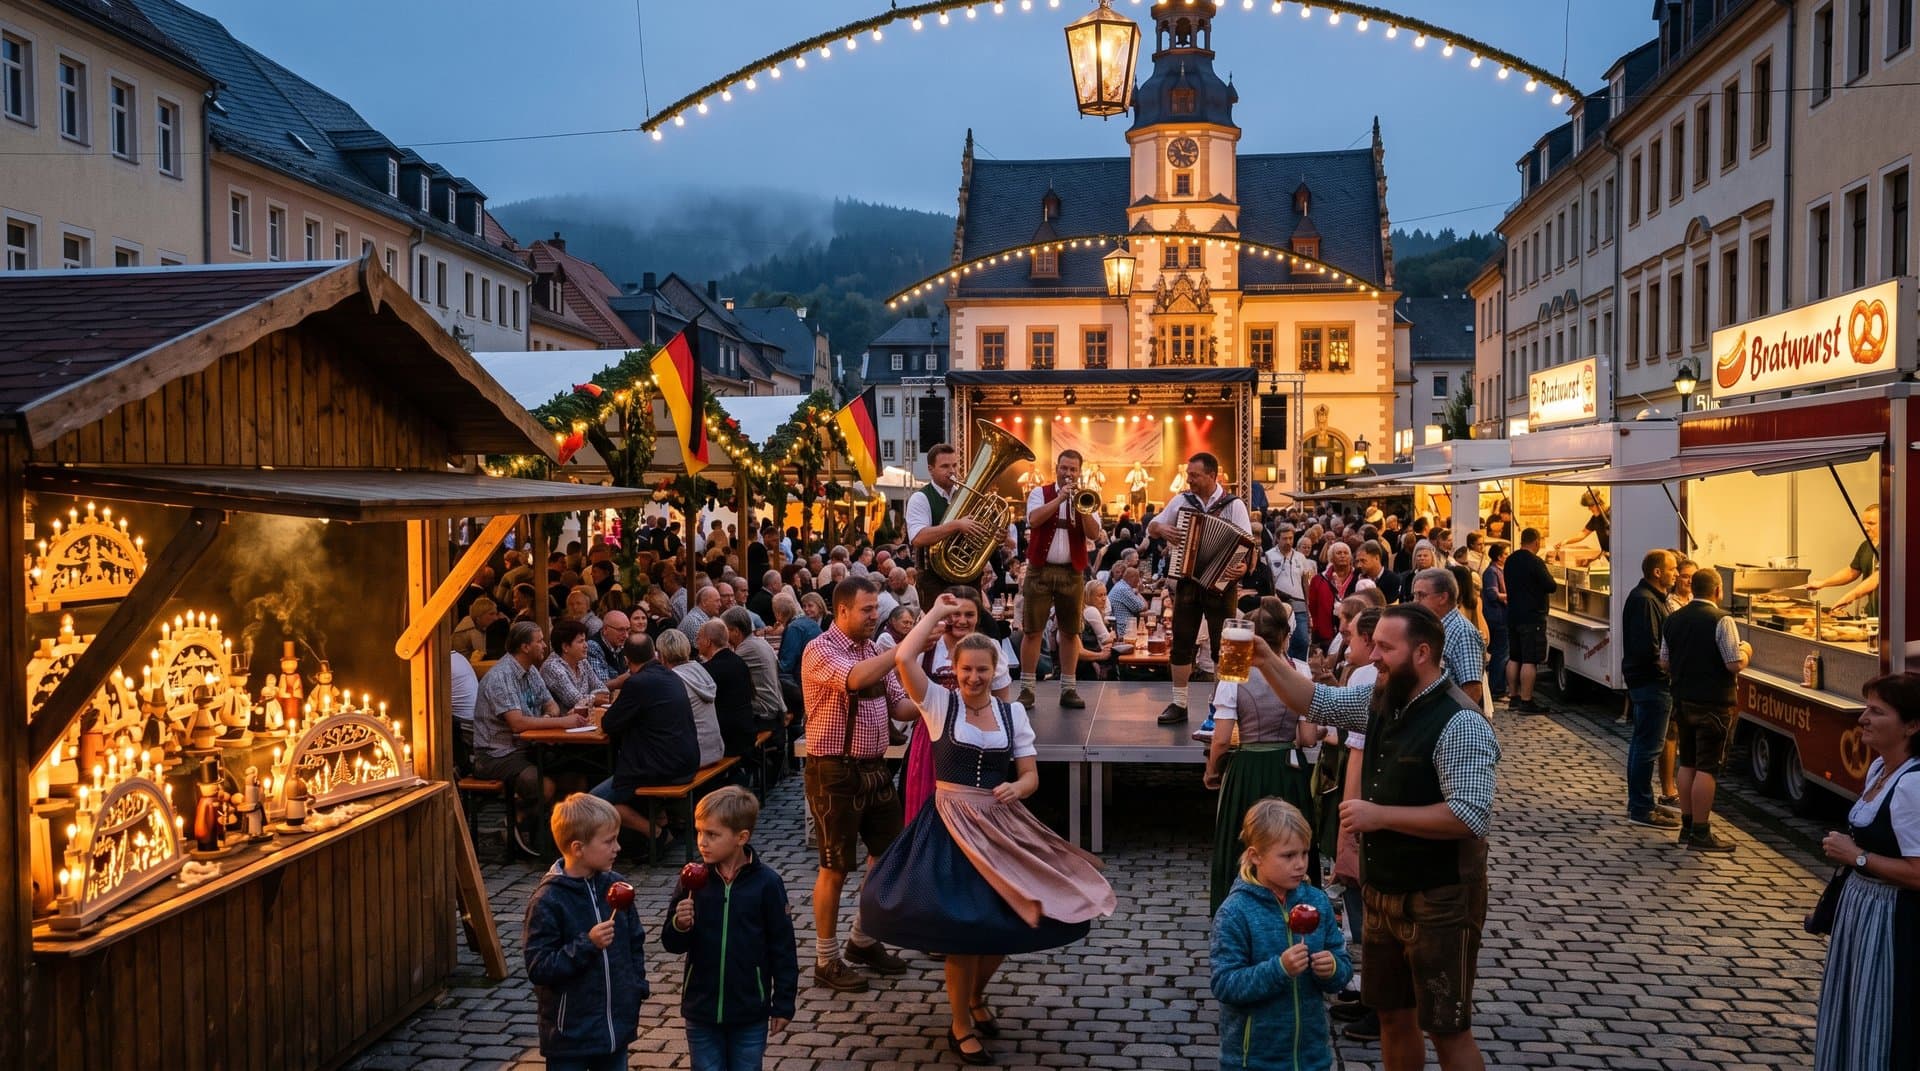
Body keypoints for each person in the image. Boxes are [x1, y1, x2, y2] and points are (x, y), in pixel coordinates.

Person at [863, 596, 1115, 1065]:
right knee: (965, 928)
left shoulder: (1010, 714)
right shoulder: (939, 705)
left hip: (999, 827)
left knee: (1007, 921)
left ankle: (976, 997)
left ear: (995, 670)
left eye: (983, 670)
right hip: (950, 827)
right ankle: (960, 1023)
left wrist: (1017, 789)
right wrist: (936, 615)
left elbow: (1030, 775)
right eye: (966, 670)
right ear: (953, 670)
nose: (974, 678)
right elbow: (901, 657)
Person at [1248, 605, 1500, 1071]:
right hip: (1385, 890)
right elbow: (1315, 702)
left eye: (1386, 648)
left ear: (1422, 653)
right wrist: (1265, 659)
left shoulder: (1460, 721)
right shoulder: (1383, 698)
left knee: (1447, 1028)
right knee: (1392, 1016)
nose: (1374, 658)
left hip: (1441, 896)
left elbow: (1469, 817)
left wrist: (1378, 815)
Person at [801, 574, 913, 993]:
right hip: (834, 771)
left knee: (886, 856)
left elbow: (899, 708)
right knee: (834, 867)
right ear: (842, 609)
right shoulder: (820, 650)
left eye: (876, 609)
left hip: (875, 768)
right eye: (867, 610)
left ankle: (862, 940)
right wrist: (902, 649)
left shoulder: (872, 648)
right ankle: (825, 959)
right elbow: (855, 680)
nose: (875, 617)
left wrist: (938, 697)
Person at [1812, 671, 1920, 1071]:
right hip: (1862, 913)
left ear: (1912, 725)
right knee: (1854, 1012)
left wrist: (1856, 856)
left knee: (1883, 1018)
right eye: (1866, 708)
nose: (1863, 719)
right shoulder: (1880, 770)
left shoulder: (1912, 786)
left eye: (1877, 711)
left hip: (1893, 921)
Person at [1210, 798, 1352, 1071]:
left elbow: (1342, 964)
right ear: (1255, 856)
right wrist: (1279, 969)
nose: (1300, 864)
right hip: (1253, 1059)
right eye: (1288, 856)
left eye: (1304, 853)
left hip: (1312, 1057)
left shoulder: (1317, 901)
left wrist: (1332, 968)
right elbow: (1225, 984)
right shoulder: (1236, 912)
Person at [661, 786, 797, 1070]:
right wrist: (680, 924)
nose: (702, 842)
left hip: (749, 1009)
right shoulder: (691, 880)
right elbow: (671, 943)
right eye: (699, 832)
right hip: (701, 1007)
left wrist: (783, 1003)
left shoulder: (767, 884)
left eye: (712, 834)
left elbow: (782, 947)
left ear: (741, 838)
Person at [1203, 598, 1317, 913]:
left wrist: (1212, 770)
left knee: (1244, 841)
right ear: (1285, 636)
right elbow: (1307, 738)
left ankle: (1240, 912)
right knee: (1291, 841)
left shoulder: (1233, 673)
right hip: (1287, 768)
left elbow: (1222, 739)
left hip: (1248, 769)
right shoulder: (1301, 670)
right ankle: (1299, 911)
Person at [523, 793, 651, 1071]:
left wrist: (636, 987)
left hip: (614, 1030)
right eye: (609, 841)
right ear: (578, 848)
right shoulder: (548, 900)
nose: (618, 847)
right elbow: (539, 966)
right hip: (570, 1036)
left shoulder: (617, 886)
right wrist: (587, 944)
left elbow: (635, 942)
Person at [1148, 452, 1254, 725]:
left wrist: (1243, 568)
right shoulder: (1182, 501)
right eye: (1189, 475)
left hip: (1221, 585)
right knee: (1182, 643)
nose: (1189, 480)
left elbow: (1247, 545)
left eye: (1194, 475)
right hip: (1187, 581)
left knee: (1225, 646)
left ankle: (1226, 704)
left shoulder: (1234, 505)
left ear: (1212, 475)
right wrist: (1162, 529)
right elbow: (1152, 525)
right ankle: (1179, 703)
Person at [475, 622, 592, 854]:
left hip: (528, 746)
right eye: (539, 641)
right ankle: (518, 822)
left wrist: (548, 718)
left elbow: (551, 704)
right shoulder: (502, 676)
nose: (544, 646)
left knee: (578, 782)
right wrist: (560, 723)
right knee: (545, 787)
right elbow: (517, 723)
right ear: (525, 646)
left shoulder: (531, 671)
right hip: (497, 753)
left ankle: (546, 833)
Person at [901, 584, 1014, 823]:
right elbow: (907, 674)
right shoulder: (928, 647)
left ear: (978, 616)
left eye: (969, 614)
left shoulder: (990, 648)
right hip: (933, 739)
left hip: (977, 738)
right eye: (955, 614)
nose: (962, 620)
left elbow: (1003, 701)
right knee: (928, 809)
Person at [1660, 568, 1750, 853]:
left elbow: (1664, 661)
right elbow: (1733, 663)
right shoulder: (1722, 620)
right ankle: (1701, 831)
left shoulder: (1673, 619)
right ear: (1718, 590)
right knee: (1708, 768)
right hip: (1713, 703)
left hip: (1683, 699)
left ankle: (1686, 827)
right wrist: (1747, 650)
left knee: (1687, 762)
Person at [590, 635, 700, 844]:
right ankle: (659, 820)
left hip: (658, 767)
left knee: (592, 802)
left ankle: (656, 833)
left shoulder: (638, 683)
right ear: (654, 653)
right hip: (686, 761)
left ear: (626, 659)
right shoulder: (671, 676)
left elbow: (610, 724)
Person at [1017, 449, 1104, 711]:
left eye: (1073, 470)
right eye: (1064, 468)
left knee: (1070, 631)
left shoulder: (1087, 497)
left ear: (1080, 472)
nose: (1068, 473)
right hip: (1040, 570)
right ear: (1057, 468)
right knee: (1032, 630)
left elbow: (1094, 533)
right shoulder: (1039, 493)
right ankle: (1027, 689)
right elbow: (1033, 520)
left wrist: (1081, 506)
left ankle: (1068, 688)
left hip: (1072, 571)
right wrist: (1059, 498)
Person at [1622, 549, 1679, 830]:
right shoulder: (1646, 601)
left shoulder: (1650, 598)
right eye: (1672, 569)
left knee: (1642, 744)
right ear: (1657, 572)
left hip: (1646, 681)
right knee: (1647, 747)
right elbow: (1650, 648)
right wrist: (1667, 672)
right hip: (1651, 682)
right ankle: (1641, 808)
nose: (1676, 574)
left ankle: (1641, 802)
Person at [1408, 568, 1487, 713]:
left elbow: (1472, 690)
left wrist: (1457, 721)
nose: (1416, 602)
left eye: (1421, 595)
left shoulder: (1463, 632)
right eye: (1414, 596)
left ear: (1443, 598)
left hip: (1450, 718)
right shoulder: (1434, 627)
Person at [1503, 528, 1557, 714]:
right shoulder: (1535, 561)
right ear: (1537, 542)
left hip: (1513, 614)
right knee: (1530, 659)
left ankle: (1513, 697)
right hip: (1532, 616)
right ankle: (1527, 701)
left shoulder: (1510, 560)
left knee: (1514, 656)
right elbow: (1551, 586)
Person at [656, 630, 724, 769]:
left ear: (662, 656)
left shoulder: (672, 681)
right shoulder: (699, 670)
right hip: (714, 749)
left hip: (694, 756)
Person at [1808, 503, 1882, 618]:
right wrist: (1823, 583)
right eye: (1864, 523)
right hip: (1871, 613)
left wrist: (1850, 596)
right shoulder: (1865, 546)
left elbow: (1877, 578)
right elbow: (1852, 571)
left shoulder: (1894, 547)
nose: (1865, 528)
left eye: (1871, 523)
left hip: (1889, 613)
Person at [697, 619, 757, 761]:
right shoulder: (739, 661)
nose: (696, 642)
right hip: (747, 730)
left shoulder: (708, 670)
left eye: (699, 638)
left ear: (708, 642)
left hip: (728, 739)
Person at [541, 619, 610, 715]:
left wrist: (589, 698)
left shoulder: (582, 661)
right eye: (581, 641)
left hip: (583, 719)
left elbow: (603, 690)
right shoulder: (552, 667)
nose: (586, 645)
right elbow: (574, 700)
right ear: (565, 647)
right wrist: (594, 698)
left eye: (585, 640)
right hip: (561, 723)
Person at [1269, 525, 1317, 662]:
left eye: (1291, 538)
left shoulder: (1301, 557)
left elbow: (1306, 583)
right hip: (1279, 605)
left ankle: (1299, 667)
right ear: (1277, 539)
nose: (1288, 542)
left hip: (1299, 603)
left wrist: (1308, 607)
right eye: (1284, 538)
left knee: (1302, 639)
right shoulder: (1269, 556)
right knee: (1280, 640)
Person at [1307, 542, 1361, 651]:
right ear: (1331, 557)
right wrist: (1317, 630)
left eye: (1346, 553)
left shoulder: (1359, 578)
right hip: (1325, 634)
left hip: (1354, 633)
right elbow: (1312, 607)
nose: (1342, 555)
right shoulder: (1318, 580)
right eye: (1339, 553)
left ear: (1350, 557)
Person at [1480, 544, 1509, 706]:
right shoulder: (1492, 572)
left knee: (1502, 653)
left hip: (1502, 617)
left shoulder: (1500, 570)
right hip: (1497, 618)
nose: (1507, 556)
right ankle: (1497, 689)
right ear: (1498, 556)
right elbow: (1492, 594)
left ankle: (1499, 688)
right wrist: (1510, 596)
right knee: (1500, 654)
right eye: (1505, 553)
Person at [1557, 489, 1611, 558]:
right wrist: (1566, 541)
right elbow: (1583, 533)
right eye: (1588, 506)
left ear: (1599, 503)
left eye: (1591, 506)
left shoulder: (1611, 513)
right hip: (1606, 554)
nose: (1589, 509)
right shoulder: (1595, 518)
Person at [1107, 565, 1149, 639]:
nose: (1139, 582)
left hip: (1125, 627)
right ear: (1133, 578)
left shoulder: (1121, 585)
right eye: (1138, 579)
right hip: (1124, 631)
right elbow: (1143, 607)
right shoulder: (1124, 589)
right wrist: (1138, 592)